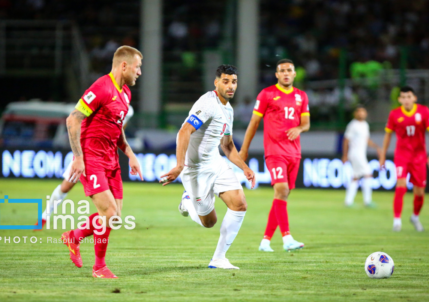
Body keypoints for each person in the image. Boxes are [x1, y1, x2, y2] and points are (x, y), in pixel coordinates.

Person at [160, 65, 255, 270]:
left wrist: (244, 168)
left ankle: (219, 258)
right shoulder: (207, 103)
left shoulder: (228, 110)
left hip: (216, 163)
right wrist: (179, 165)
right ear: (216, 82)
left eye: (234, 82)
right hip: (195, 170)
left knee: (239, 204)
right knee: (209, 222)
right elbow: (184, 131)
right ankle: (187, 201)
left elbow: (227, 145)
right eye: (226, 81)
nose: (230, 86)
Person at [61, 46, 143, 278]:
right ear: (124, 66)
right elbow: (73, 120)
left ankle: (74, 237)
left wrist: (129, 153)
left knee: (114, 217)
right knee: (108, 213)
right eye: (137, 67)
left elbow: (116, 129)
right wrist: (78, 157)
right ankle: (99, 267)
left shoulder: (125, 93)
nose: (139, 72)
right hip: (92, 158)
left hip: (111, 159)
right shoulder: (101, 87)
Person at [239, 59, 310, 252]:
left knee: (282, 195)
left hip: (294, 153)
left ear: (294, 74)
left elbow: (306, 123)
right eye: (282, 71)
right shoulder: (267, 94)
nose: (286, 73)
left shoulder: (301, 96)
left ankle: (265, 241)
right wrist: (244, 150)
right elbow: (253, 123)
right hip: (275, 152)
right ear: (276, 75)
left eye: (289, 70)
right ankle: (287, 239)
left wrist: (299, 129)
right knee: (281, 190)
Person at [35, 105, 134, 230]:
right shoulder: (102, 98)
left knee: (112, 211)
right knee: (66, 187)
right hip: (89, 153)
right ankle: (44, 217)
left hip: (107, 157)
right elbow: (80, 120)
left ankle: (80, 235)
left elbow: (120, 131)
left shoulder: (127, 109)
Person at [379, 86, 429, 232]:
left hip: (419, 157)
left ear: (414, 98)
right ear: (399, 99)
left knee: (419, 192)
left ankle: (415, 217)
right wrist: (383, 155)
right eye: (403, 97)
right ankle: (397, 221)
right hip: (402, 156)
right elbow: (388, 135)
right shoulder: (394, 114)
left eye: (408, 97)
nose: (406, 100)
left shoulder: (423, 111)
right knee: (400, 185)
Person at [342, 105, 380, 207]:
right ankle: (367, 201)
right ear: (355, 114)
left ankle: (348, 201)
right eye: (359, 111)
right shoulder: (352, 125)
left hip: (361, 154)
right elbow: (346, 140)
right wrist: (345, 155)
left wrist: (377, 147)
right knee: (368, 174)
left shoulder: (365, 125)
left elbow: (366, 140)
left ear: (366, 114)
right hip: (355, 154)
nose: (361, 113)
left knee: (355, 177)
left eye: (362, 111)